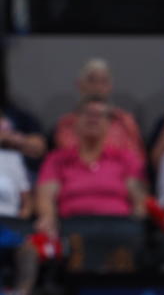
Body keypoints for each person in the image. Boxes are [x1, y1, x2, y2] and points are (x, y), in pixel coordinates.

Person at [35, 98, 146, 238]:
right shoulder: (56, 159)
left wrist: (135, 230)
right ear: (75, 121)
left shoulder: (126, 159)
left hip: (117, 232)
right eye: (87, 114)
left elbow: (140, 200)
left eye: (100, 115)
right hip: (72, 231)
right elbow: (45, 198)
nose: (93, 119)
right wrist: (48, 220)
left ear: (109, 124)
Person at [52, 59, 145, 170]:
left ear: (110, 87)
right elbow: (65, 160)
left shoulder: (125, 122)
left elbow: (137, 163)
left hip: (118, 180)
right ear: (79, 84)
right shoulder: (67, 123)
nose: (97, 87)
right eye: (92, 80)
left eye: (104, 82)